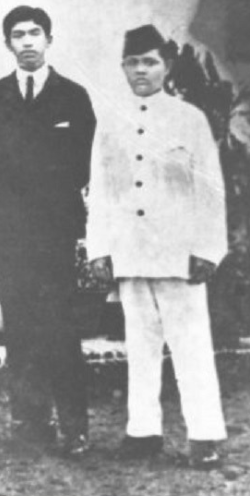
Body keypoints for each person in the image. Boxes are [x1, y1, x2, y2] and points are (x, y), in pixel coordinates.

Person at [87, 25, 228, 469]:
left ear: (166, 66)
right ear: (123, 67)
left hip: (179, 254)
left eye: (149, 62)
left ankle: (204, 435)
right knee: (140, 346)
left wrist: (208, 248)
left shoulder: (191, 119)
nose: (141, 70)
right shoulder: (111, 121)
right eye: (132, 62)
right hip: (131, 252)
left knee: (191, 345)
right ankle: (143, 431)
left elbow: (211, 189)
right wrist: (99, 249)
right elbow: (101, 190)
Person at [0, 5, 96, 456]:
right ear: (7, 43)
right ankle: (30, 423)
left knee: (61, 327)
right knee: (21, 326)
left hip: (56, 230)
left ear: (49, 39)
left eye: (35, 33)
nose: (27, 41)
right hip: (11, 230)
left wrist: (45, 195)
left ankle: (74, 426)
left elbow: (81, 163)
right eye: (18, 34)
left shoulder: (74, 96)